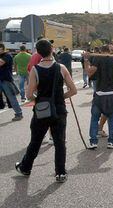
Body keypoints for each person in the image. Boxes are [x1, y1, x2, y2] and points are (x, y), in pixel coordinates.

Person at [15, 39, 77, 183]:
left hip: (42, 110)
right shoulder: (61, 68)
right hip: (59, 110)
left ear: (38, 52)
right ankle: (60, 173)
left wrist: (40, 100)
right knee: (59, 141)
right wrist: (60, 98)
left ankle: (25, 167)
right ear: (52, 49)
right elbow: (73, 90)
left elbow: (29, 95)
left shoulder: (35, 69)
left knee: (35, 141)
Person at [84, 45, 113, 149]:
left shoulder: (97, 58)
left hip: (99, 94)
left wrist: (86, 59)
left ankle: (93, 142)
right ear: (110, 51)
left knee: (94, 118)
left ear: (100, 50)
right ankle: (111, 142)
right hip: (112, 94)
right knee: (112, 120)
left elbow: (89, 73)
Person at [0, 43, 23, 121]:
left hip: (6, 80)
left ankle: (19, 113)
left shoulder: (7, 56)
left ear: (2, 48)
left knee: (11, 98)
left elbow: (1, 62)